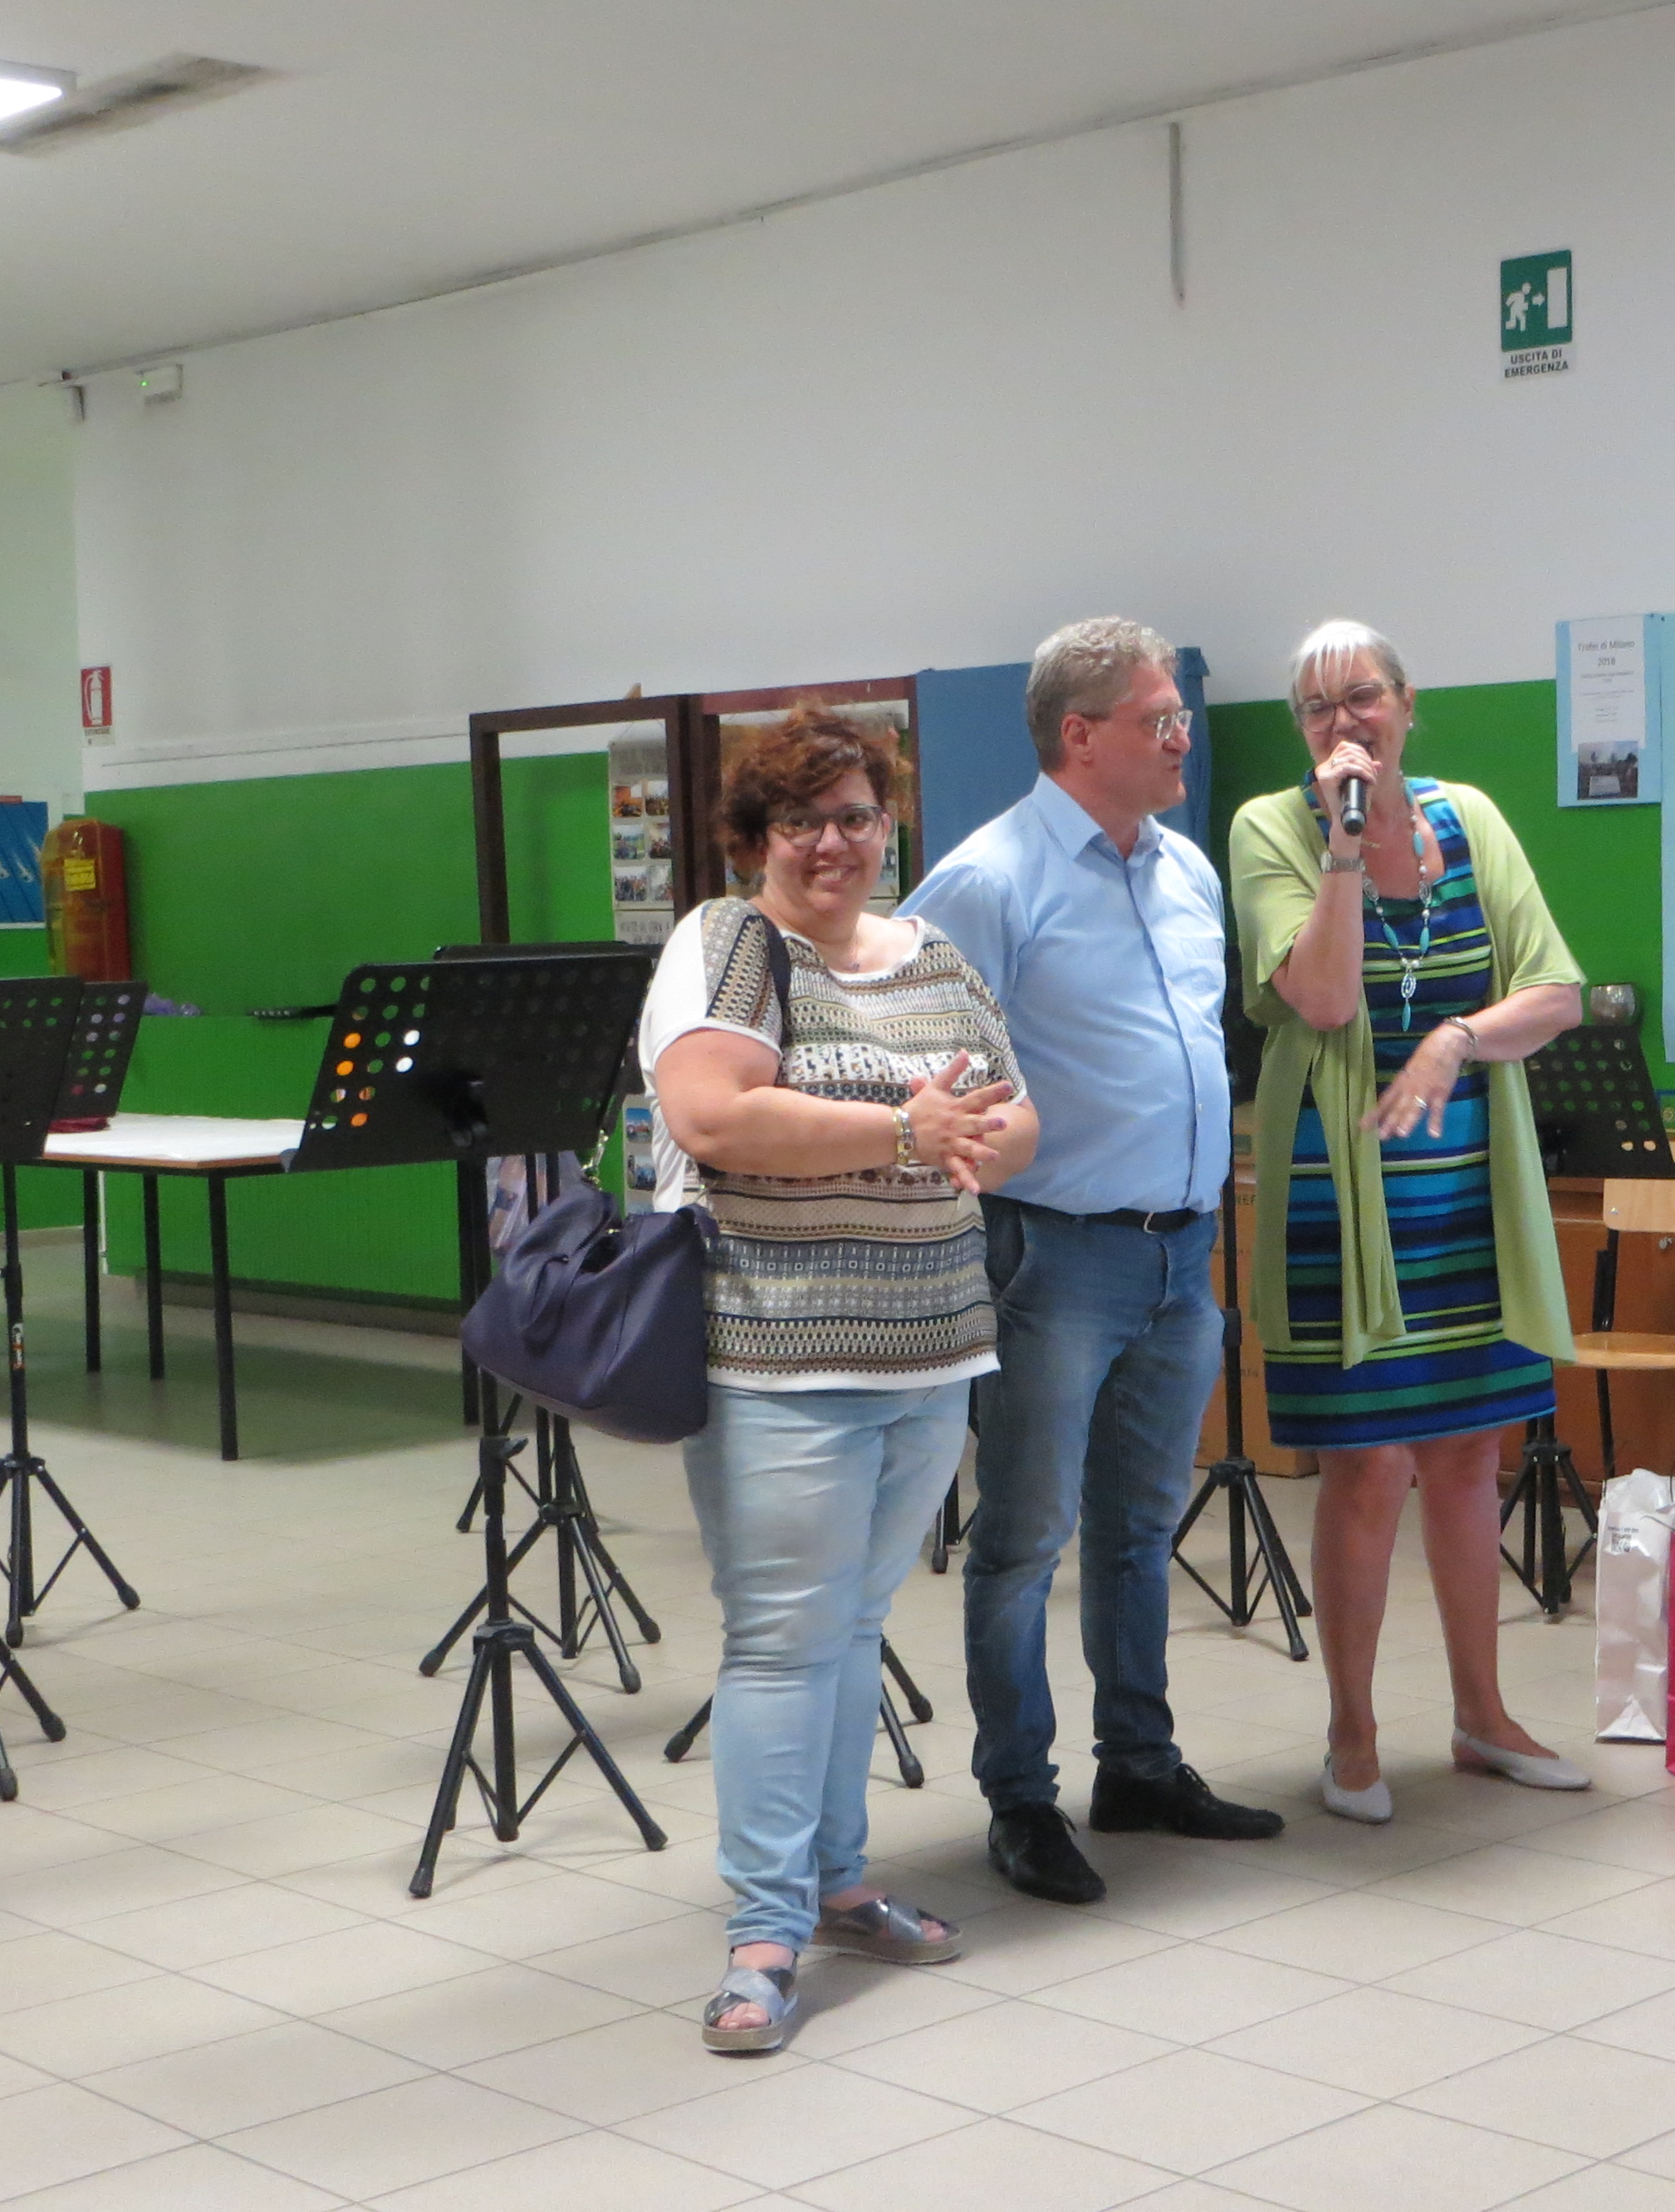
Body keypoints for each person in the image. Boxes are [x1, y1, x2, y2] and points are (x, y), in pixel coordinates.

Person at [644, 703, 1040, 2053]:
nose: (833, 842)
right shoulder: (730, 943)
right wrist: (907, 1129)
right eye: (802, 819)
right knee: (780, 1639)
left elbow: (1018, 1112)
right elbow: (712, 1112)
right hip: (781, 1357)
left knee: (855, 1627)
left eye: (856, 815)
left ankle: (836, 1881)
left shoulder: (934, 953)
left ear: (889, 825)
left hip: (934, 1346)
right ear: (755, 835)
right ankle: (762, 1933)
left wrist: (977, 1133)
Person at [898, 616, 1284, 1906]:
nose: (1184, 738)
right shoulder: (987, 880)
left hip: (1182, 1255)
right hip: (1053, 1260)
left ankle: (1141, 1766)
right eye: (1158, 720)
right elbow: (911, 1063)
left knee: (1139, 1528)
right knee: (1023, 1540)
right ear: (1079, 735)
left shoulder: (1184, 870)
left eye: (1181, 716)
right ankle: (1021, 1796)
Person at [1230, 619, 1591, 1823]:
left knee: (1470, 1453)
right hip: (1338, 1190)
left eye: (1363, 697)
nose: (1345, 723)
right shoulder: (1271, 829)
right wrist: (1343, 846)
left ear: (1405, 701)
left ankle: (1483, 1717)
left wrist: (1456, 1037)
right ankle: (1352, 1732)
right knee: (1368, 1463)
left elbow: (1555, 991)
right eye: (1318, 707)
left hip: (1469, 1187)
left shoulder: (1469, 818)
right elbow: (1326, 998)